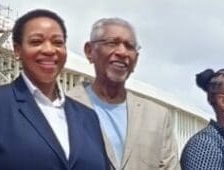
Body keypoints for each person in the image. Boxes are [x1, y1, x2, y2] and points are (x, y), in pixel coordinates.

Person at [0, 9, 111, 170]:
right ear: (17, 50)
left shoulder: (88, 117)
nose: (49, 50)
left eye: (58, 42)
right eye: (36, 42)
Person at [69, 18, 181, 169]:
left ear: (136, 60)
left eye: (129, 46)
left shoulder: (157, 118)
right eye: (112, 43)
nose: (122, 52)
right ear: (90, 51)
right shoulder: (62, 110)